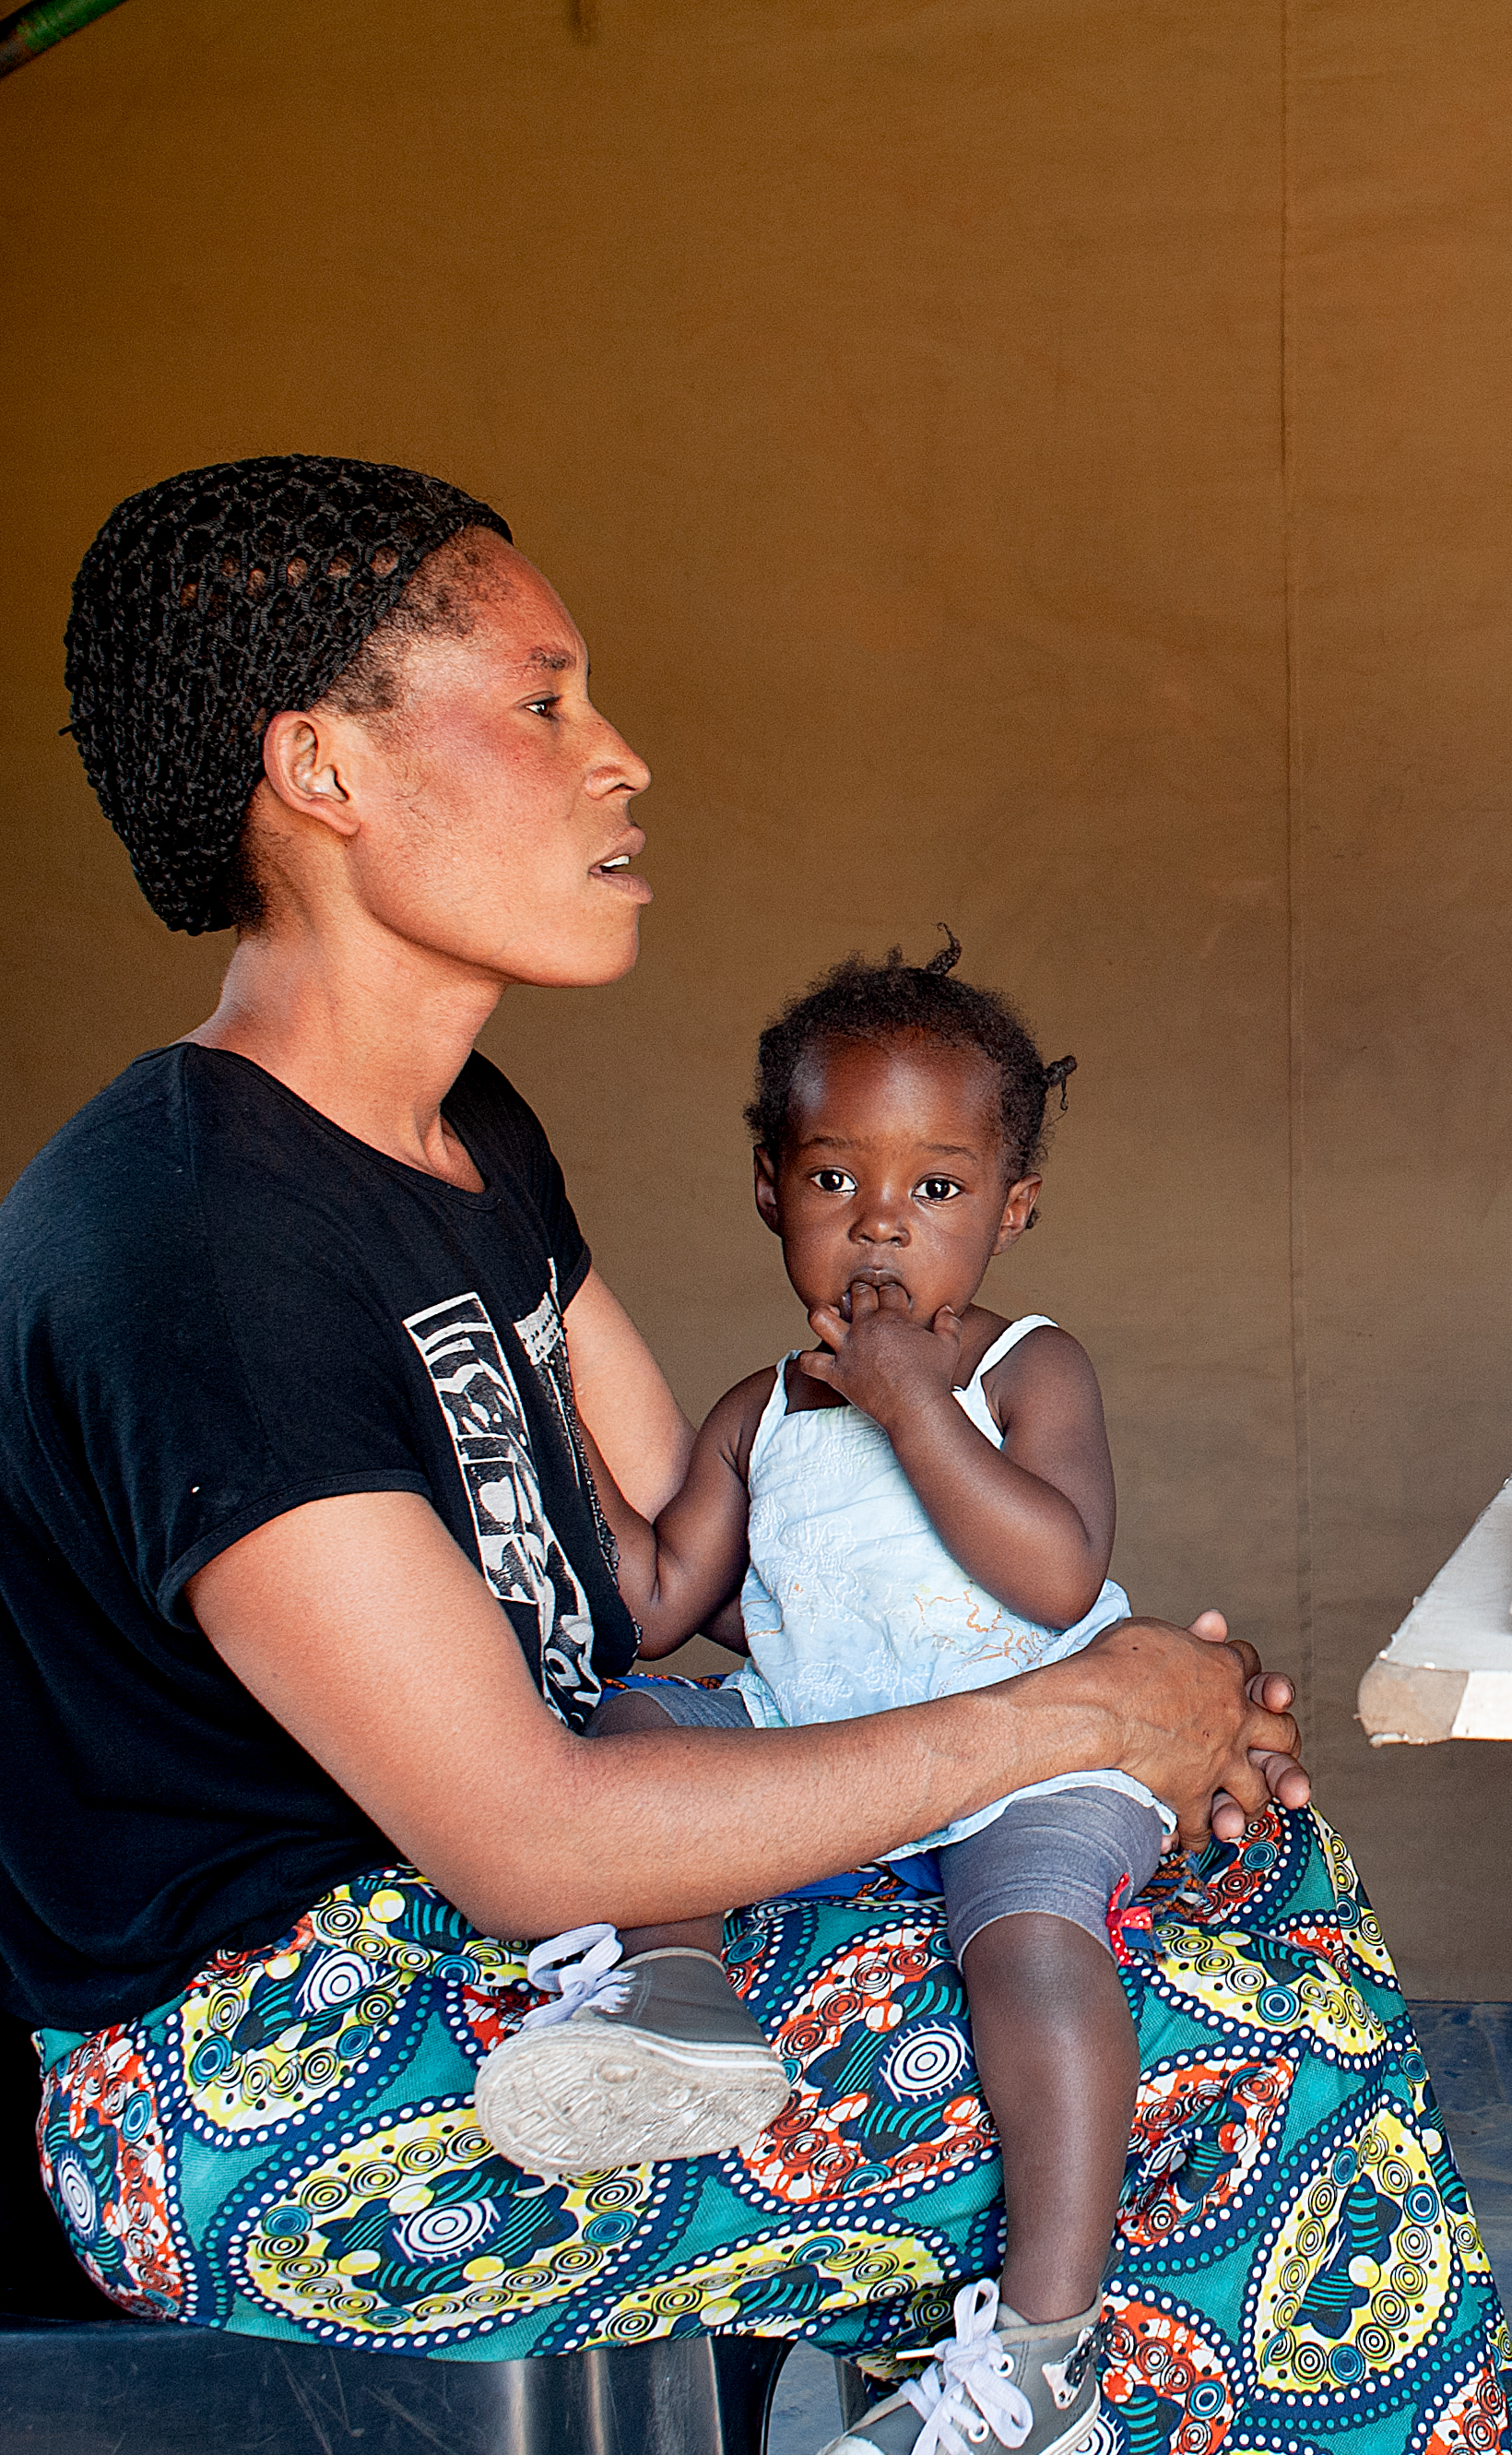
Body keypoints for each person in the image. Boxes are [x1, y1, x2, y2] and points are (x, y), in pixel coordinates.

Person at [0, 457, 1512, 2455]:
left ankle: (1021, 2391)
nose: (622, 760)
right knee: (1233, 2059)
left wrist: (1144, 1719)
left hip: (519, 1930)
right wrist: (1070, 1712)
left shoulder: (458, 1137)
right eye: (541, 699)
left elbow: (659, 1555)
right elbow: (528, 1830)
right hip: (266, 2079)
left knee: (1245, 1874)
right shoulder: (199, 1245)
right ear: (321, 766)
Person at [481, 942, 1176, 2455]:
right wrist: (544, 1426)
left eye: (937, 1187)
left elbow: (1057, 1575)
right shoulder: (759, 1410)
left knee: (1035, 1947)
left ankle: (1047, 2357)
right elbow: (661, 1599)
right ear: (768, 1188)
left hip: (1033, 1750)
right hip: (816, 1741)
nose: (880, 1223)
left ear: (1014, 1206)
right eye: (833, 1180)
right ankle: (671, 1990)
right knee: (635, 1718)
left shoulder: (1027, 1370)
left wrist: (917, 1402)